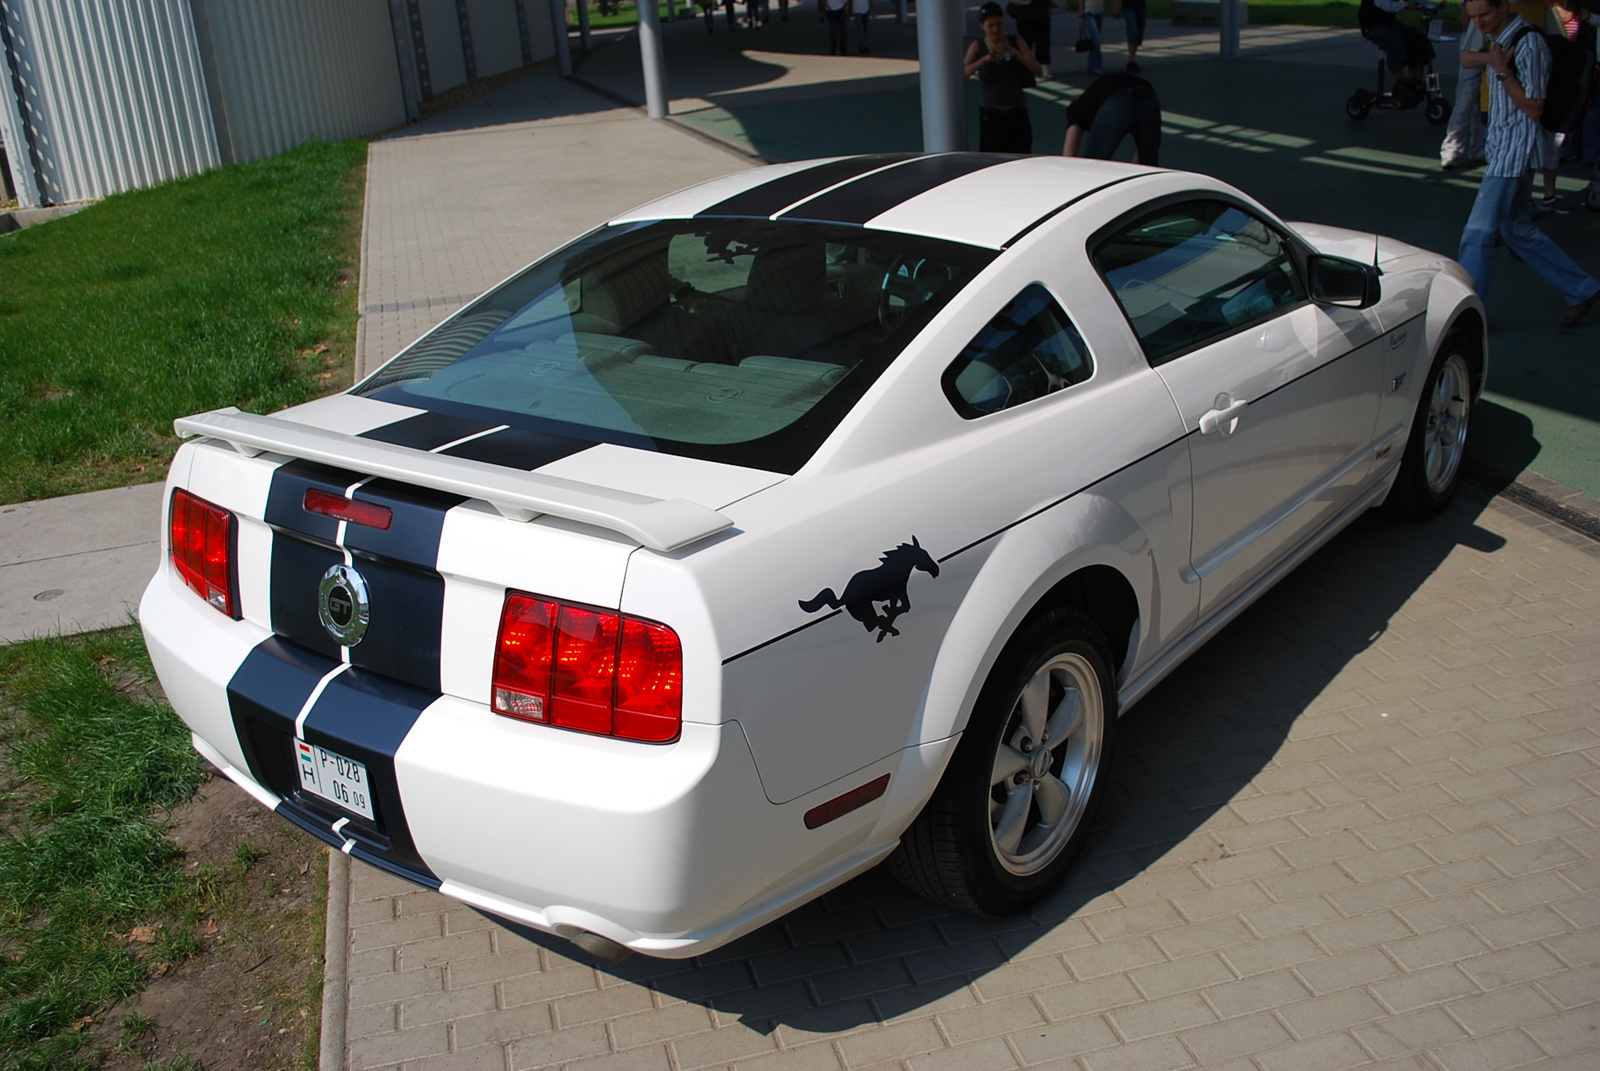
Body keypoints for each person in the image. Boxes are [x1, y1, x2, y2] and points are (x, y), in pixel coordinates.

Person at [1457, 0, 1600, 325]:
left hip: (1513, 153)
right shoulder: (1500, 39)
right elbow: (1470, 59)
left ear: (1503, 7)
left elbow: (1535, 106)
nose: (1478, 23)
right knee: (1518, 230)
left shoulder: (1529, 45)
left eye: (1485, 15)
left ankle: (1468, 316)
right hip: (1504, 148)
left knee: (1477, 234)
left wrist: (1503, 72)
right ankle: (1582, 289)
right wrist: (1495, 62)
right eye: (1473, 16)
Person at [966, 1, 1043, 152]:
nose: (996, 29)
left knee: (1022, 156)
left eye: (998, 24)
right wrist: (985, 59)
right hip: (991, 115)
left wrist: (1019, 57)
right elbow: (964, 72)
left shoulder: (1016, 41)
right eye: (991, 26)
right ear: (983, 26)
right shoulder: (978, 46)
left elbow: (1037, 69)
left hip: (1017, 113)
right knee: (991, 159)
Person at [1061, 71, 1161, 164]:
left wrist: (1067, 172)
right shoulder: (1091, 99)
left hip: (1116, 99)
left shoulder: (1076, 109)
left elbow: (1069, 156)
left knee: (1094, 163)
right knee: (1148, 162)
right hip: (1147, 94)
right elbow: (1142, 148)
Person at [1441, 8, 1489, 168]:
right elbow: (1465, 15)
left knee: (1480, 98)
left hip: (1492, 38)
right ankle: (1451, 149)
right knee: (1466, 97)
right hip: (1477, 40)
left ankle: (1478, 147)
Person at [1359, 0, 1435, 96]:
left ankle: (1411, 80)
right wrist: (1405, 5)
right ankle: (1399, 83)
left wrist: (1432, 5)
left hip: (1390, 23)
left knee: (1419, 38)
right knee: (1396, 40)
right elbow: (1382, 3)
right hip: (1372, 25)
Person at [1008, 0, 1054, 78]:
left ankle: (1044, 70)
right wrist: (1026, 2)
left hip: (1041, 16)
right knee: (1025, 44)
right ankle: (1025, 69)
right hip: (1025, 17)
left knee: (1043, 44)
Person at [1117, 0, 1147, 72]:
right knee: (1132, 31)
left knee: (1139, 32)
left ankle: (1133, 56)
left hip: (1141, 5)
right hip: (1128, 6)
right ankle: (1132, 59)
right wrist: (1117, 7)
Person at [1079, 0, 1105, 75]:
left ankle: (1091, 66)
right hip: (1089, 12)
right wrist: (1081, 13)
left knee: (1094, 40)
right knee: (1096, 40)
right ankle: (1096, 66)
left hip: (1099, 12)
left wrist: (1113, 8)